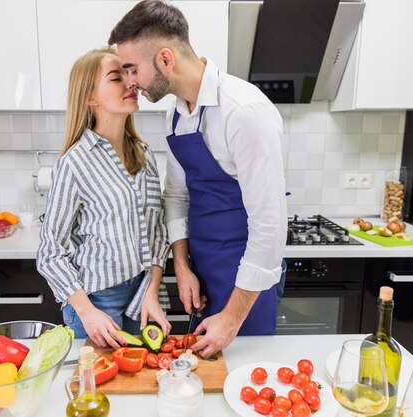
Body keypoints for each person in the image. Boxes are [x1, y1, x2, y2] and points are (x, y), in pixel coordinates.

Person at [109, 0, 288, 358]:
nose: (130, 82)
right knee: (202, 380)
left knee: (241, 380)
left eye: (132, 69)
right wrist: (182, 264)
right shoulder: (176, 113)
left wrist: (233, 318)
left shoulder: (244, 112)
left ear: (165, 59)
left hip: (246, 280)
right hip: (202, 270)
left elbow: (270, 228)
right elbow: (176, 195)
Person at [37, 48, 171, 349]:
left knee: (144, 388)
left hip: (144, 298)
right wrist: (87, 313)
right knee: (98, 392)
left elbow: (157, 233)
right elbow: (49, 252)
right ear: (90, 97)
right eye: (116, 77)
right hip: (97, 303)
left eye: (130, 74)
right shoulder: (75, 163)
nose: (131, 83)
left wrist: (152, 291)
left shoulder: (144, 155)